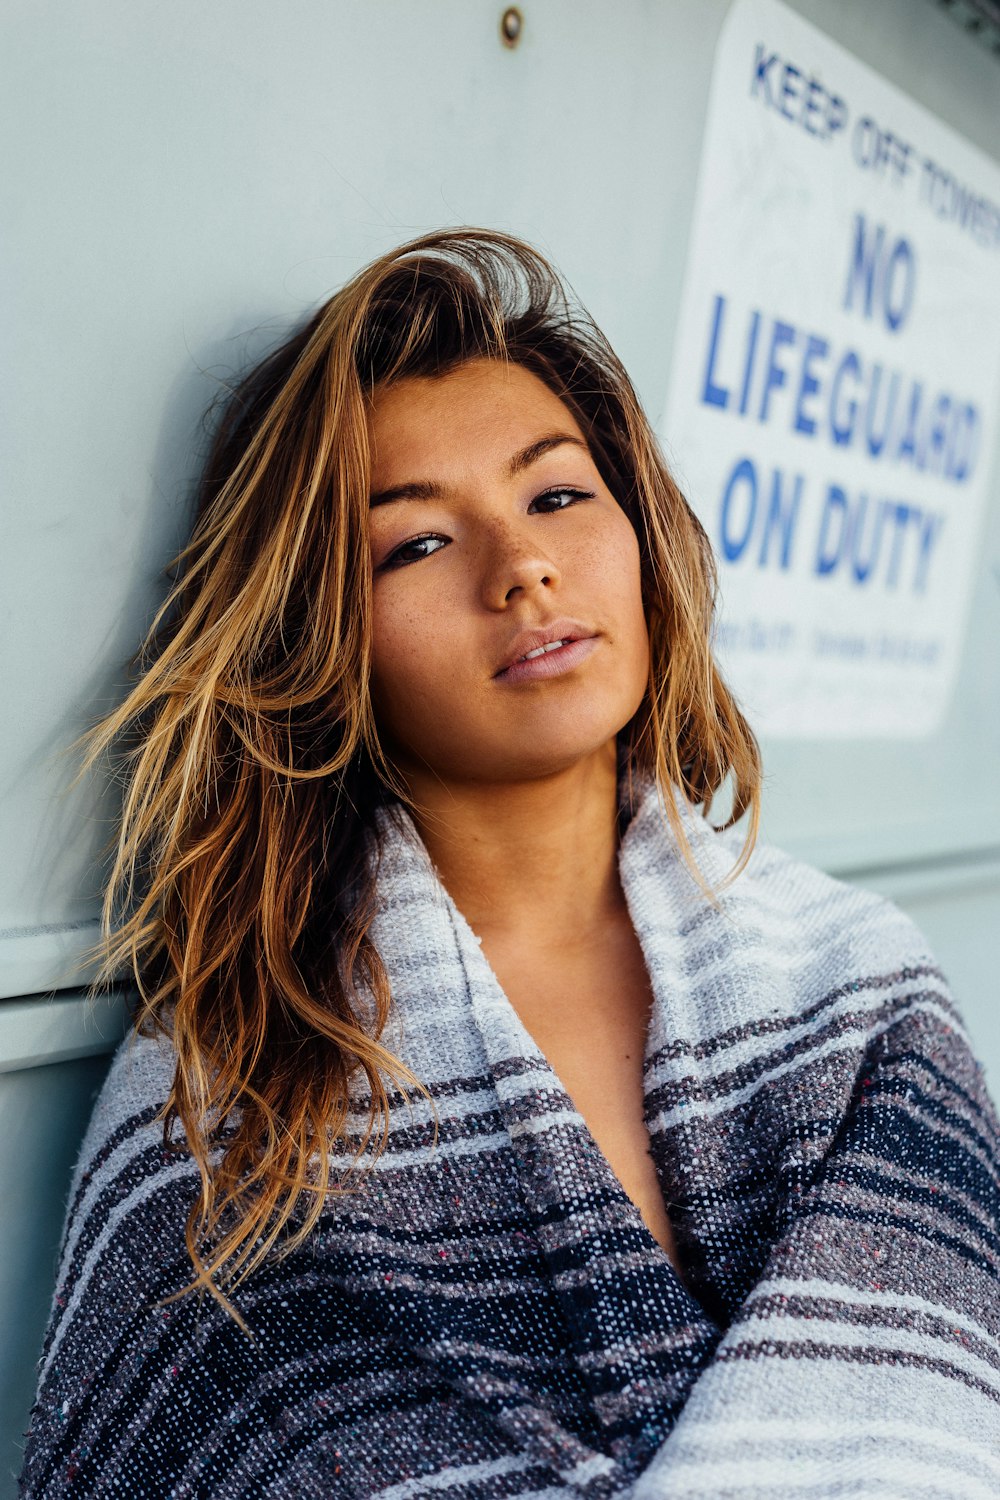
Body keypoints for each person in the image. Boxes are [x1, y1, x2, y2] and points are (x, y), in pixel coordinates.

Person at [19, 228, 1000, 1499]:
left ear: (639, 531)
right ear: (323, 638)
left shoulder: (860, 990)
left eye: (555, 496)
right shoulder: (225, 1103)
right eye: (417, 545)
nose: (522, 565)